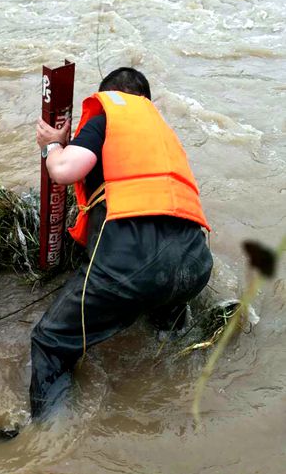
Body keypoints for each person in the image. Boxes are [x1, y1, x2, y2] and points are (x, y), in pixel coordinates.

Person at [31, 67, 213, 418]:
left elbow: (65, 171)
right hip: (194, 263)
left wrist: (52, 144)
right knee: (164, 317)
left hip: (133, 261)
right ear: (146, 100)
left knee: (50, 341)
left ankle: (47, 440)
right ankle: (171, 364)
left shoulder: (107, 118)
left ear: (109, 95)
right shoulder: (163, 133)